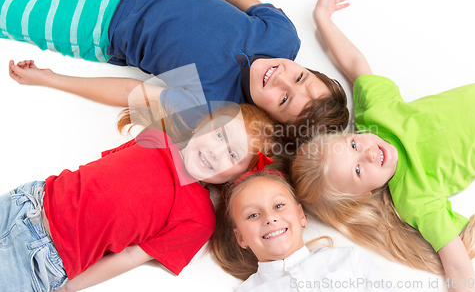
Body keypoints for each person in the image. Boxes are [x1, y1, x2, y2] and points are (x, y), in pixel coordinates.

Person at [291, 0, 475, 292]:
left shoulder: (376, 117)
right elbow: (456, 262)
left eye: (354, 145)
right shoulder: (413, 197)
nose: (370, 153)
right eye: (359, 170)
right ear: (362, 195)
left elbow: (355, 64)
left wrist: (323, 19)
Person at [2, 0, 349, 133]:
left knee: (6, 12)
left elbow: (133, 93)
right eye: (301, 78)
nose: (281, 79)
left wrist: (51, 79)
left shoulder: (216, 105)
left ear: (270, 118)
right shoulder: (282, 36)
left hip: (94, 24)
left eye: (285, 99)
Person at [0, 100, 277, 292]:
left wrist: (72, 285)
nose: (217, 151)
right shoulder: (155, 137)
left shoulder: (199, 218)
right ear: (202, 124)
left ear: (237, 177)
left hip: (44, 257)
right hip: (29, 199)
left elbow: (133, 255)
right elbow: (96, 174)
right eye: (218, 134)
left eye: (233, 154)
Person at [210, 171, 396, 291]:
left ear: (301, 215)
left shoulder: (349, 259)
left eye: (278, 205)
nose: (269, 218)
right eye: (253, 215)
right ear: (241, 237)